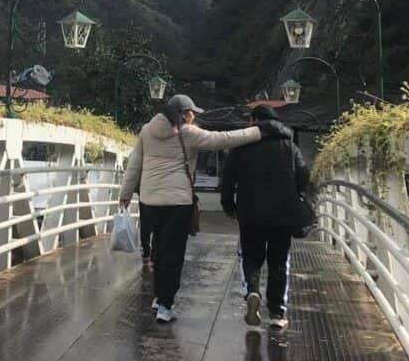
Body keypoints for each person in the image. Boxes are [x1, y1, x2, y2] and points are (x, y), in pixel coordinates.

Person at [119, 94, 287, 323]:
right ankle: (166, 306)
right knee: (173, 254)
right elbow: (223, 139)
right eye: (192, 113)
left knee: (158, 250)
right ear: (182, 113)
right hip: (178, 203)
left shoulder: (147, 130)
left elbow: (134, 164)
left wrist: (125, 194)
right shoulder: (187, 133)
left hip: (150, 201)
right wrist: (262, 130)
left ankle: (159, 297)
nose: (194, 116)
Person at [220, 104, 310, 331]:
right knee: (279, 262)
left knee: (250, 256)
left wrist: (229, 206)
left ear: (254, 121)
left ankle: (252, 291)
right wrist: (293, 192)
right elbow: (303, 174)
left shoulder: (241, 147)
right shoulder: (289, 145)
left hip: (250, 214)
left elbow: (227, 179)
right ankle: (278, 313)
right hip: (283, 214)